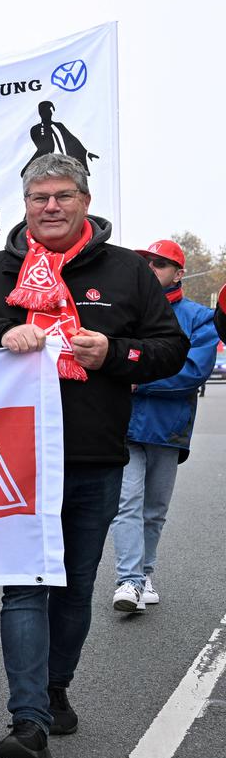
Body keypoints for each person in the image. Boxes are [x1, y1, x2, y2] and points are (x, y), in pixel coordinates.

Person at [0, 153, 187, 758]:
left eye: (61, 196)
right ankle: (27, 721)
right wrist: (2, 333)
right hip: (11, 458)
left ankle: (55, 691)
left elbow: (172, 349)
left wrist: (116, 352)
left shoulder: (128, 271)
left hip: (94, 455)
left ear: (84, 200)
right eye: (38, 198)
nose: (50, 207)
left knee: (74, 589)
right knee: (23, 587)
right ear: (25, 206)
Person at [110, 240, 216, 612]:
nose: (151, 268)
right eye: (146, 262)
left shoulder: (199, 317)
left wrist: (138, 380)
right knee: (126, 504)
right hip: (122, 424)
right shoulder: (126, 308)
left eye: (159, 263)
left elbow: (193, 372)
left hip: (167, 429)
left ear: (179, 272)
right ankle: (128, 580)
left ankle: (145, 574)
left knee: (154, 510)